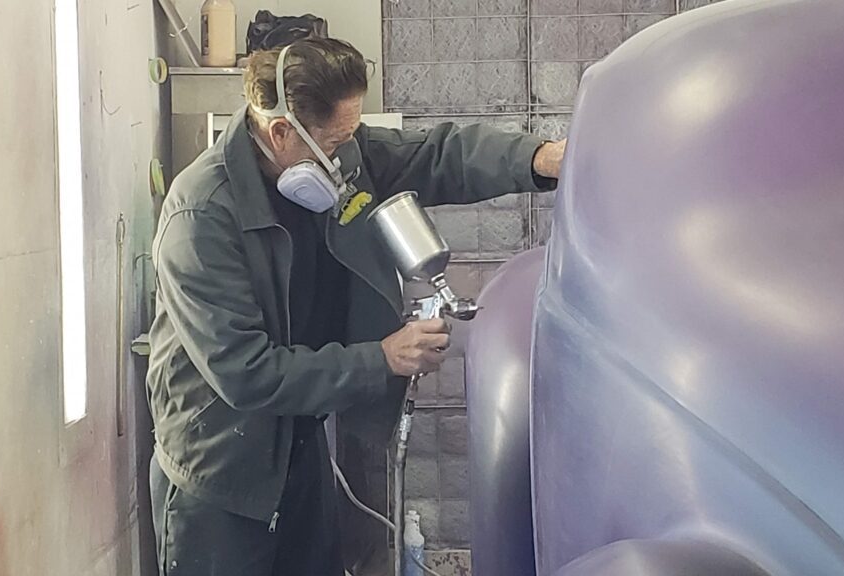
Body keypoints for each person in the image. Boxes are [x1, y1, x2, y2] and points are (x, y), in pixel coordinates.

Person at [146, 36, 565, 576]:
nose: (346, 154)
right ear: (281, 132)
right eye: (336, 139)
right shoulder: (202, 216)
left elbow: (437, 155)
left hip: (298, 445)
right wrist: (381, 359)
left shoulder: (338, 158)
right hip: (221, 471)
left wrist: (538, 158)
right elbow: (244, 372)